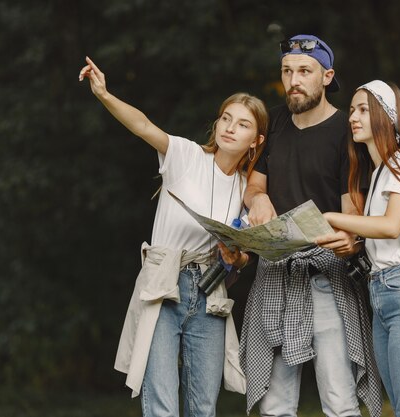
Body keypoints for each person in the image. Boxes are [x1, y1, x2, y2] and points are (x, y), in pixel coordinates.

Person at [78, 56, 267, 417]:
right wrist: (104, 94)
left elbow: (243, 256)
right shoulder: (186, 155)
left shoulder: (247, 189)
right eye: (226, 118)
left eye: (242, 124)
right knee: (161, 402)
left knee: (203, 406)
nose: (230, 127)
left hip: (210, 291)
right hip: (166, 282)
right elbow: (143, 125)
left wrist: (236, 258)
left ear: (255, 141)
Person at [239, 35, 382, 417]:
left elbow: (353, 212)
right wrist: (259, 199)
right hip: (274, 274)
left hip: (326, 275)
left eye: (305, 71)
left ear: (326, 75)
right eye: (287, 71)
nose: (294, 80)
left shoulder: (346, 131)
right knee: (275, 406)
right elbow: (254, 184)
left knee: (339, 401)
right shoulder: (275, 121)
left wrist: (350, 243)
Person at [315, 80, 400, 417]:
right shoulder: (378, 173)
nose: (353, 118)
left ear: (388, 118)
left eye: (364, 110)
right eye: (351, 111)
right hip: (384, 295)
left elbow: (391, 227)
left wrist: (333, 217)